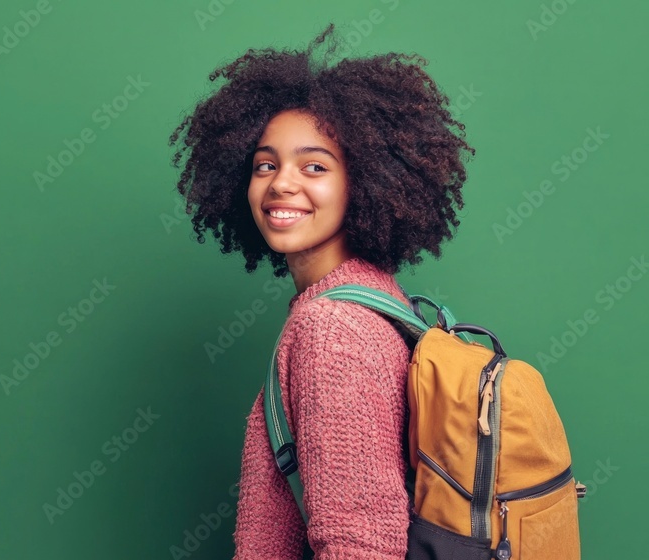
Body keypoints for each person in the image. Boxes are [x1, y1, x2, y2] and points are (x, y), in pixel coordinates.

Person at [167, 23, 474, 559]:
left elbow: (360, 545)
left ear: (366, 183)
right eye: (265, 165)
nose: (281, 183)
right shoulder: (381, 302)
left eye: (314, 166)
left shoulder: (332, 329)